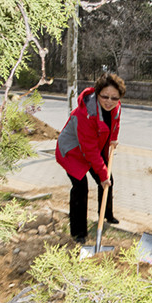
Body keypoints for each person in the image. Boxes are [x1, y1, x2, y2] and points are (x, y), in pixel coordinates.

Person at [56, 73, 126, 243]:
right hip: (73, 150)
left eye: (114, 98)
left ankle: (106, 215)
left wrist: (113, 139)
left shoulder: (116, 106)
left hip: (93, 146)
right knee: (81, 188)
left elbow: (115, 123)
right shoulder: (86, 113)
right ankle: (78, 232)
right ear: (97, 93)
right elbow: (89, 150)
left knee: (108, 180)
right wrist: (102, 175)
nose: (109, 101)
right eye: (105, 96)